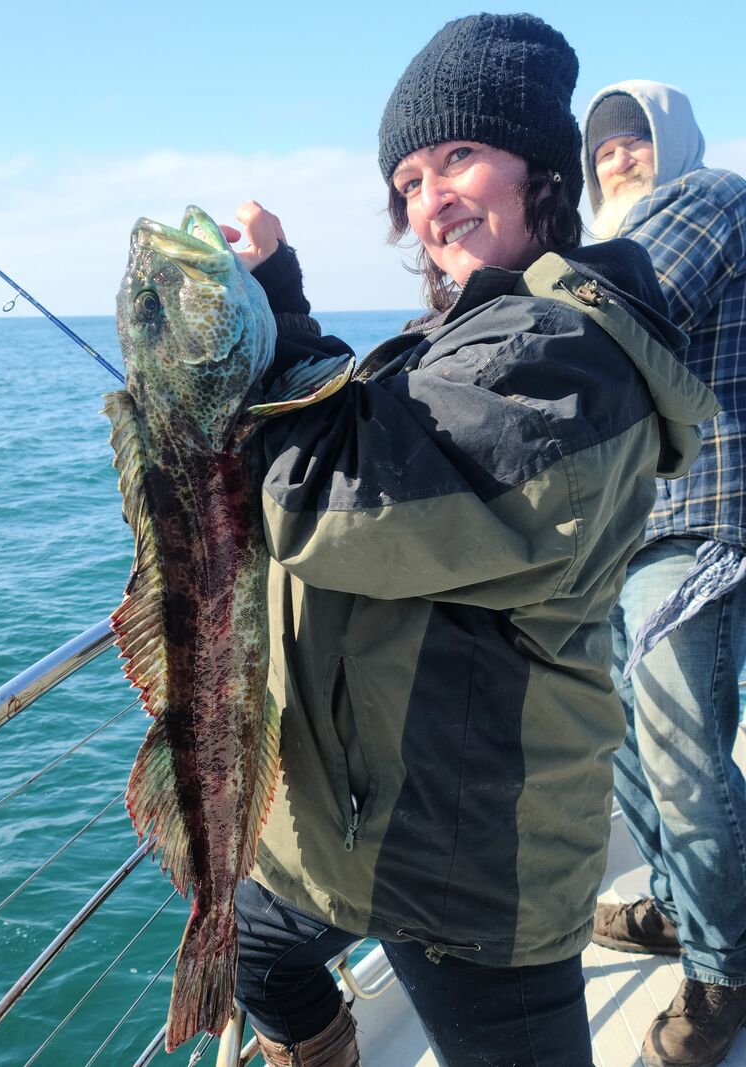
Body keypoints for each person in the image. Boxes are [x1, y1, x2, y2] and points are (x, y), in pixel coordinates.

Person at [220, 26, 717, 1067]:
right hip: (365, 810)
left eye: (455, 158)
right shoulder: (487, 328)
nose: (428, 198)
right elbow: (369, 425)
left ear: (540, 166)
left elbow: (333, 501)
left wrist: (232, 371)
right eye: (406, 178)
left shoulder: (559, 351)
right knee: (256, 947)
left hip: (470, 847)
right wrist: (279, 293)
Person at [582, 81, 746, 1067]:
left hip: (690, 527)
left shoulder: (711, 197)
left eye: (631, 139)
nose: (615, 159)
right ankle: (694, 906)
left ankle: (721, 970)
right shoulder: (595, 245)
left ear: (670, 141)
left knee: (684, 763)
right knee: (617, 747)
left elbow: (630, 293)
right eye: (600, 147)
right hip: (613, 535)